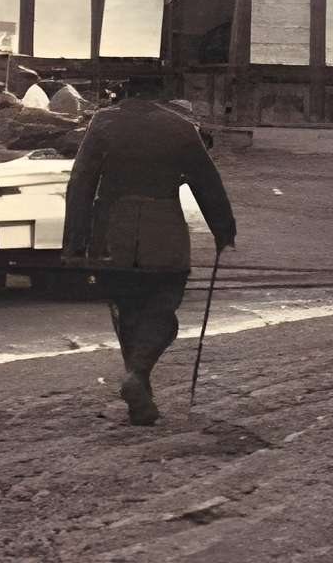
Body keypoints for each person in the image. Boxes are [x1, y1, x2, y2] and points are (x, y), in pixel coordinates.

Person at [64, 65, 237, 426]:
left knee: (127, 311)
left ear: (125, 89)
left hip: (113, 232)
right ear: (160, 92)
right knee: (162, 313)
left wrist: (74, 244)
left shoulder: (103, 124)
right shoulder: (179, 128)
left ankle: (139, 395)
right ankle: (138, 376)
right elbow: (208, 184)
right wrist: (224, 231)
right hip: (164, 233)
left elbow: (80, 184)